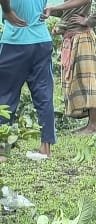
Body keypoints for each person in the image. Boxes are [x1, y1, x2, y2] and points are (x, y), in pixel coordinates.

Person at [0, 0, 55, 159]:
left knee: (5, 94)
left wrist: (7, 11)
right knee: (44, 94)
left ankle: (2, 149)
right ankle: (46, 148)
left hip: (15, 40)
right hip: (41, 40)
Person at [46, 0, 96, 134]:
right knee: (77, 80)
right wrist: (50, 11)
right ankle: (89, 124)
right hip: (72, 37)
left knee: (88, 80)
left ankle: (93, 125)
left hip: (82, 38)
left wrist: (88, 21)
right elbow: (69, 10)